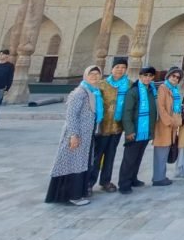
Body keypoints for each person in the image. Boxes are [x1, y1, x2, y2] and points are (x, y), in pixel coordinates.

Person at [45, 65, 102, 206]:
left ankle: (76, 193)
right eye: (92, 74)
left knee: (80, 163)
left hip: (86, 135)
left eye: (97, 74)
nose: (95, 77)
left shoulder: (93, 92)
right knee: (73, 164)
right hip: (76, 135)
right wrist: (73, 135)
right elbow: (71, 115)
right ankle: (72, 195)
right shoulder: (80, 93)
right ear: (86, 76)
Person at [89, 56, 130, 194]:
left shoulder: (129, 85)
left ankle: (105, 181)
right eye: (117, 67)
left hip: (117, 127)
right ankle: (89, 182)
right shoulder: (102, 84)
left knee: (111, 155)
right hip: (102, 126)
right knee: (97, 156)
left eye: (123, 67)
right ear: (112, 68)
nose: (120, 70)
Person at [118, 66, 158, 195]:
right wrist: (129, 131)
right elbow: (127, 112)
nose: (147, 78)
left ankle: (133, 179)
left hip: (145, 130)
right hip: (135, 130)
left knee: (138, 156)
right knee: (129, 158)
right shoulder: (134, 91)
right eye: (145, 75)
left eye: (150, 76)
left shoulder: (151, 90)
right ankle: (124, 183)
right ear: (140, 76)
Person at [152, 67, 182, 186]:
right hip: (164, 125)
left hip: (172, 125)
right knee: (161, 151)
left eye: (177, 77)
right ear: (168, 76)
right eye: (173, 76)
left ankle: (161, 176)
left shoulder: (175, 90)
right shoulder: (163, 88)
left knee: (165, 151)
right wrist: (169, 121)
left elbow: (177, 107)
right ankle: (158, 178)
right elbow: (161, 107)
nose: (175, 79)